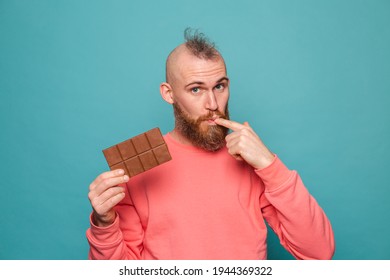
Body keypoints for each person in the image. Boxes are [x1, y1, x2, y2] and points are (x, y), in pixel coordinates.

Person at [86, 29, 335, 260]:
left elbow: (319, 252)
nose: (213, 104)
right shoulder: (138, 165)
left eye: (219, 86)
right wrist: (104, 224)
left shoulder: (250, 158)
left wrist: (271, 165)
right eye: (196, 90)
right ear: (168, 93)